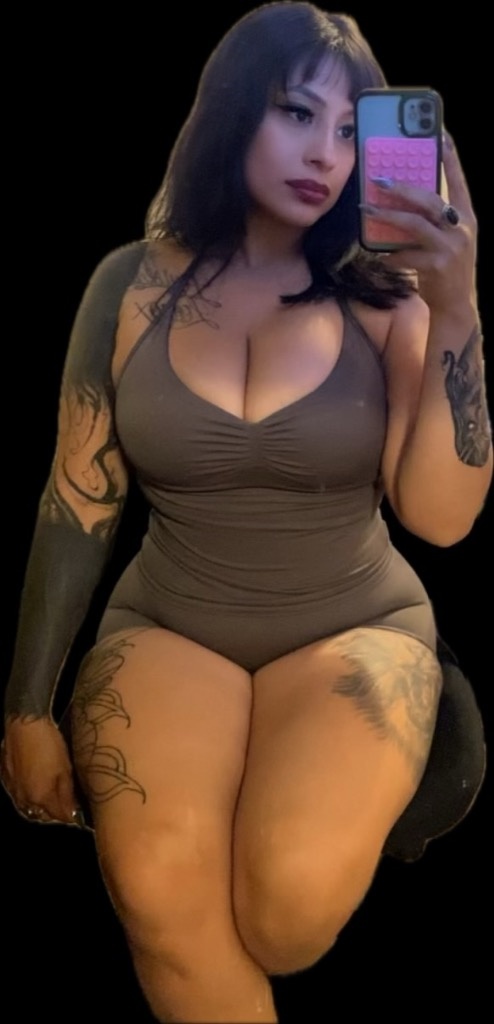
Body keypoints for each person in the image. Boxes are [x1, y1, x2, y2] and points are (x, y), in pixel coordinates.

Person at [1, 3, 491, 1021]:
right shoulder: (128, 285)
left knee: (286, 910)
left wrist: (455, 307)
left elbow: (439, 518)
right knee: (158, 895)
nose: (324, 154)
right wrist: (26, 707)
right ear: (231, 111)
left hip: (357, 625)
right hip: (169, 625)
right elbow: (76, 499)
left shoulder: (388, 299)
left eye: (350, 129)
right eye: (295, 113)